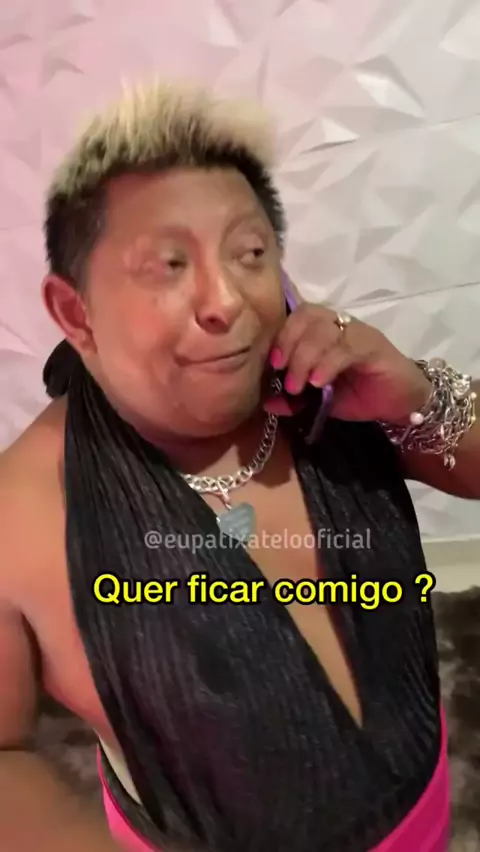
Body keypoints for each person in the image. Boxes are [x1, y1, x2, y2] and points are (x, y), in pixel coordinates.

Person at [0, 79, 478, 852]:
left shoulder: (339, 391)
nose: (225, 298)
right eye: (168, 265)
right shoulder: (17, 513)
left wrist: (417, 396)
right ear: (75, 313)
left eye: (249, 253)